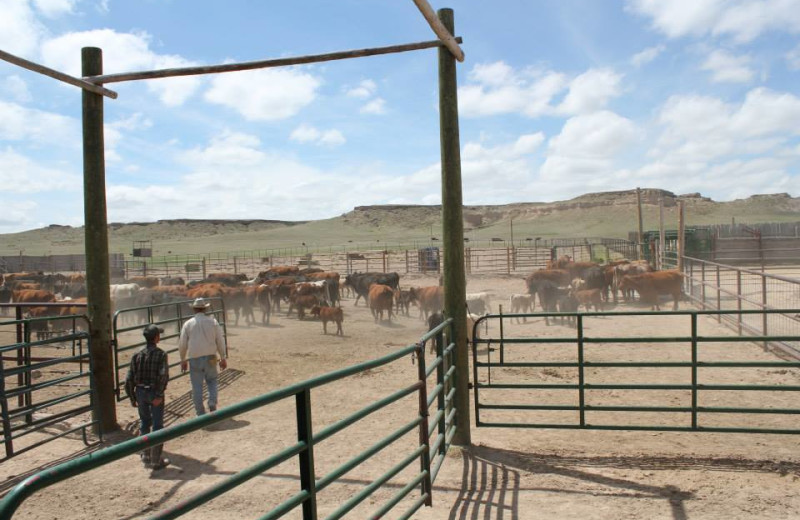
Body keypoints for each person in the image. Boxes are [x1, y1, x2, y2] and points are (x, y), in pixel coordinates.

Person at [124, 323, 170, 470]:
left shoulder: (137, 355)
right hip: (153, 392)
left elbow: (129, 378)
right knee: (157, 425)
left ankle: (145, 454)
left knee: (144, 423)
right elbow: (163, 376)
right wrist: (159, 394)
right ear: (156, 338)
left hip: (140, 392)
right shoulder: (161, 354)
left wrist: (132, 396)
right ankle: (156, 459)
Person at [179, 298, 228, 416]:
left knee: (197, 386)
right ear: (205, 309)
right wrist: (223, 357)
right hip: (211, 356)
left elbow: (182, 344)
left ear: (194, 309)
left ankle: (200, 412)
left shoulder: (188, 324)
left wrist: (183, 359)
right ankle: (212, 401)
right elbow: (220, 341)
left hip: (194, 358)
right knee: (212, 380)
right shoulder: (213, 322)